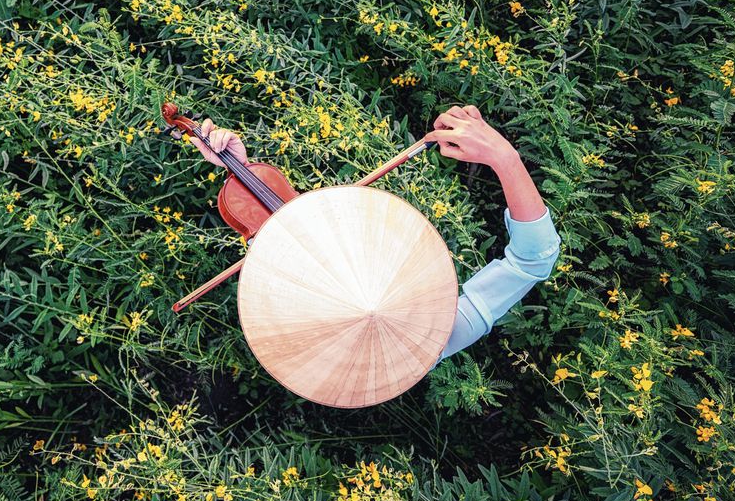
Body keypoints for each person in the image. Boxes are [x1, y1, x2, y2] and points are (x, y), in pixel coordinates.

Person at [187, 104, 562, 366]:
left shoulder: (301, 315)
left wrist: (241, 170)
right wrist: (504, 158)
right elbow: (534, 257)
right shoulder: (433, 339)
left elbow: (296, 244)